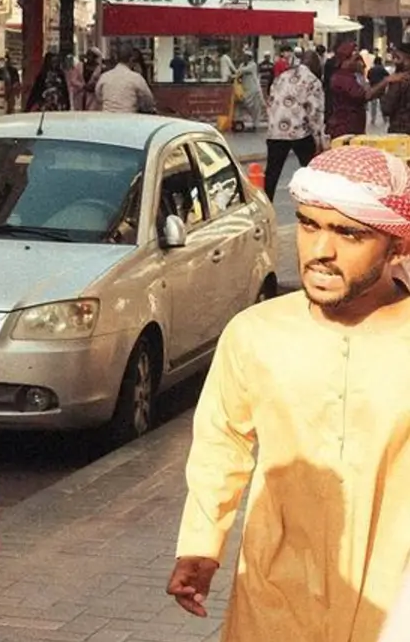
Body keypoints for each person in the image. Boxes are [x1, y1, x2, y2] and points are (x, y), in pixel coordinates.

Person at [167, 145, 410, 642]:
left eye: (349, 233)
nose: (320, 251)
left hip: (393, 603)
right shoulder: (255, 333)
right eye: (308, 224)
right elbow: (222, 444)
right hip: (275, 593)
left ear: (397, 247)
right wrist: (201, 543)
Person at [263, 50, 324, 200]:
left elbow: (270, 102)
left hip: (276, 131)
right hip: (299, 131)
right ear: (315, 64)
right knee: (311, 170)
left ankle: (265, 204)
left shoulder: (282, 77)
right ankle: (312, 201)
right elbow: (314, 112)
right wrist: (319, 139)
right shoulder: (312, 80)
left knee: (271, 174)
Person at [327, 41, 377, 139]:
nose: (360, 63)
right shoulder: (342, 78)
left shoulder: (351, 76)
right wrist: (386, 81)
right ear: (346, 60)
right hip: (345, 129)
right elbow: (365, 95)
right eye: (356, 59)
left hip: (354, 127)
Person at [95, 45, 156, 114]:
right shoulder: (136, 78)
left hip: (107, 117)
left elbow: (98, 97)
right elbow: (148, 101)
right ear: (131, 59)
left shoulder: (104, 76)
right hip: (128, 117)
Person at [368, 43, 410, 135]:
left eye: (398, 58)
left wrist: (384, 91)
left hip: (401, 130)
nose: (395, 61)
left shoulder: (399, 79)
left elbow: (387, 108)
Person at [233, 50, 267, 131]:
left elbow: (241, 71)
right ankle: (238, 120)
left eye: (246, 57)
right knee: (240, 104)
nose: (244, 58)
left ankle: (255, 125)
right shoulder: (242, 64)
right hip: (245, 89)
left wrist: (236, 72)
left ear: (249, 58)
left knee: (255, 108)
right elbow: (239, 73)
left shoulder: (253, 65)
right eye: (244, 56)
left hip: (253, 89)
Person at [367, 55, 390, 132]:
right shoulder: (382, 69)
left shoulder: (371, 69)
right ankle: (385, 118)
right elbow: (388, 76)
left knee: (373, 105)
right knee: (382, 104)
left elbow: (368, 77)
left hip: (373, 88)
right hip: (381, 89)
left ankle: (373, 119)